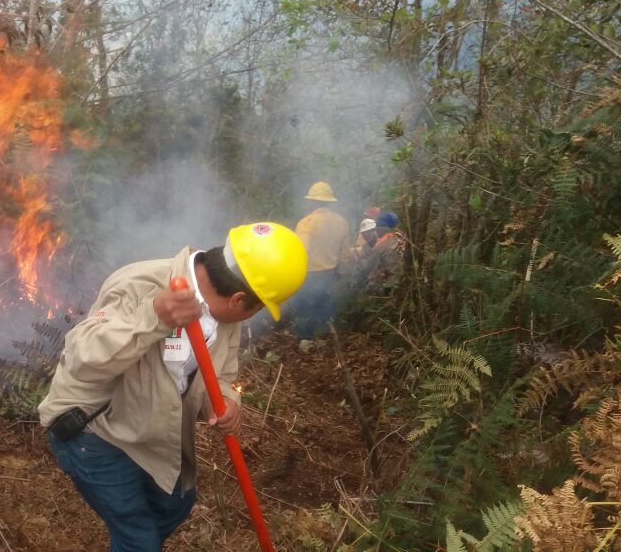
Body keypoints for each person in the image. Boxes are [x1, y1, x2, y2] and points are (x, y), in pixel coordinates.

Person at [38, 223, 308, 551]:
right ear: (239, 300)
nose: (254, 315)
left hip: (151, 429)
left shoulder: (227, 320)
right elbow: (82, 359)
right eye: (259, 307)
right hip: (95, 428)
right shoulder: (140, 283)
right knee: (138, 539)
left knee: (176, 503)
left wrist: (224, 399)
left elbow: (222, 375)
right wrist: (153, 317)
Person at [290, 181, 352, 352]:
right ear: (329, 201)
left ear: (312, 201)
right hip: (329, 272)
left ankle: (306, 340)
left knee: (304, 305)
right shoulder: (341, 222)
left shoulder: (307, 223)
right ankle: (323, 339)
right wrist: (342, 273)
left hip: (308, 272)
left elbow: (300, 250)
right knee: (324, 304)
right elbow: (345, 254)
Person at [364, 211, 405, 286]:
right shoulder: (403, 237)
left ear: (383, 228)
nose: (376, 229)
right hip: (405, 280)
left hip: (390, 284)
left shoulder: (381, 245)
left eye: (377, 227)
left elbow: (369, 267)